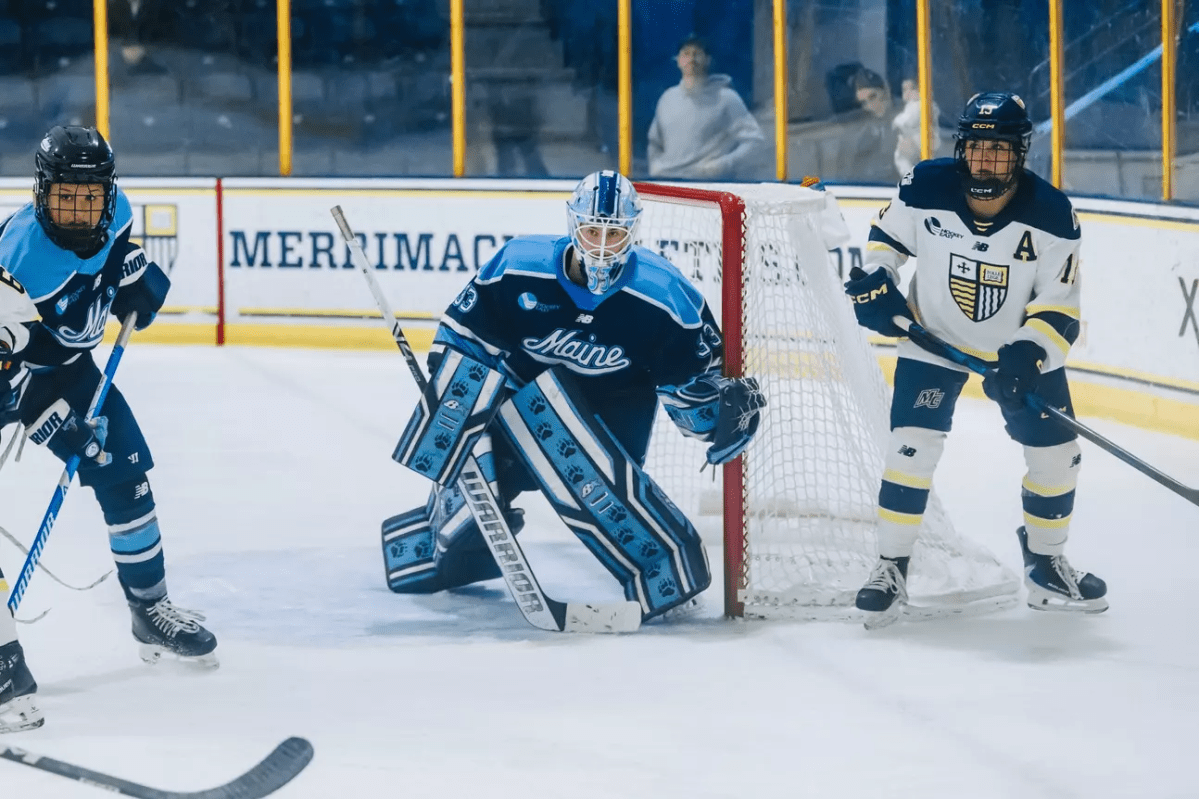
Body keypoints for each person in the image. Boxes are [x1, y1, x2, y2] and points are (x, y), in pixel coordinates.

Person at [381, 170, 766, 622]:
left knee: (597, 487)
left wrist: (717, 414)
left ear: (633, 231)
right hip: (516, 400)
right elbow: (463, 343)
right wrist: (452, 399)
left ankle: (662, 568)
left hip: (613, 412)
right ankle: (443, 543)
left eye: (615, 233)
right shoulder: (516, 265)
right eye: (592, 230)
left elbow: (690, 385)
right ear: (572, 224)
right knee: (466, 505)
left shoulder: (665, 296)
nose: (603, 244)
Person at [843, 92, 1106, 627]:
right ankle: (890, 567)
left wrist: (1027, 356)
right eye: (977, 148)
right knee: (910, 448)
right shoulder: (926, 184)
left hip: (1015, 353)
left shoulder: (1053, 216)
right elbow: (886, 239)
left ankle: (1046, 563)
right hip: (933, 339)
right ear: (962, 149)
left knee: (1058, 456)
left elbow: (1060, 311)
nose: (986, 161)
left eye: (1000, 151)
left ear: (1020, 154)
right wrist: (878, 280)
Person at [0, 125, 218, 731]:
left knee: (127, 477)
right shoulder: (17, 260)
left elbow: (115, 255)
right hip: (18, 377)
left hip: (72, 367)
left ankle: (150, 612)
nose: (77, 208)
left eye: (88, 195)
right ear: (41, 192)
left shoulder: (114, 210)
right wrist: (45, 421)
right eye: (64, 195)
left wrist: (129, 275)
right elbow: (4, 366)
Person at [647, 35, 765, 181]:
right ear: (677, 61)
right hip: (669, 185)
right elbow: (654, 142)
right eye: (686, 54)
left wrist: (722, 165)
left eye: (697, 54)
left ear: (708, 60)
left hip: (709, 187)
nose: (691, 59)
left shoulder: (726, 98)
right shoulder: (667, 99)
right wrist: (655, 166)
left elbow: (755, 142)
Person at [891, 78, 942, 177]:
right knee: (900, 156)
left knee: (901, 156)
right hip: (913, 138)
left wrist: (896, 122)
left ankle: (911, 176)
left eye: (912, 89)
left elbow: (910, 119)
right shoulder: (910, 105)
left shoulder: (920, 104)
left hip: (921, 138)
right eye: (905, 90)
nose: (908, 93)